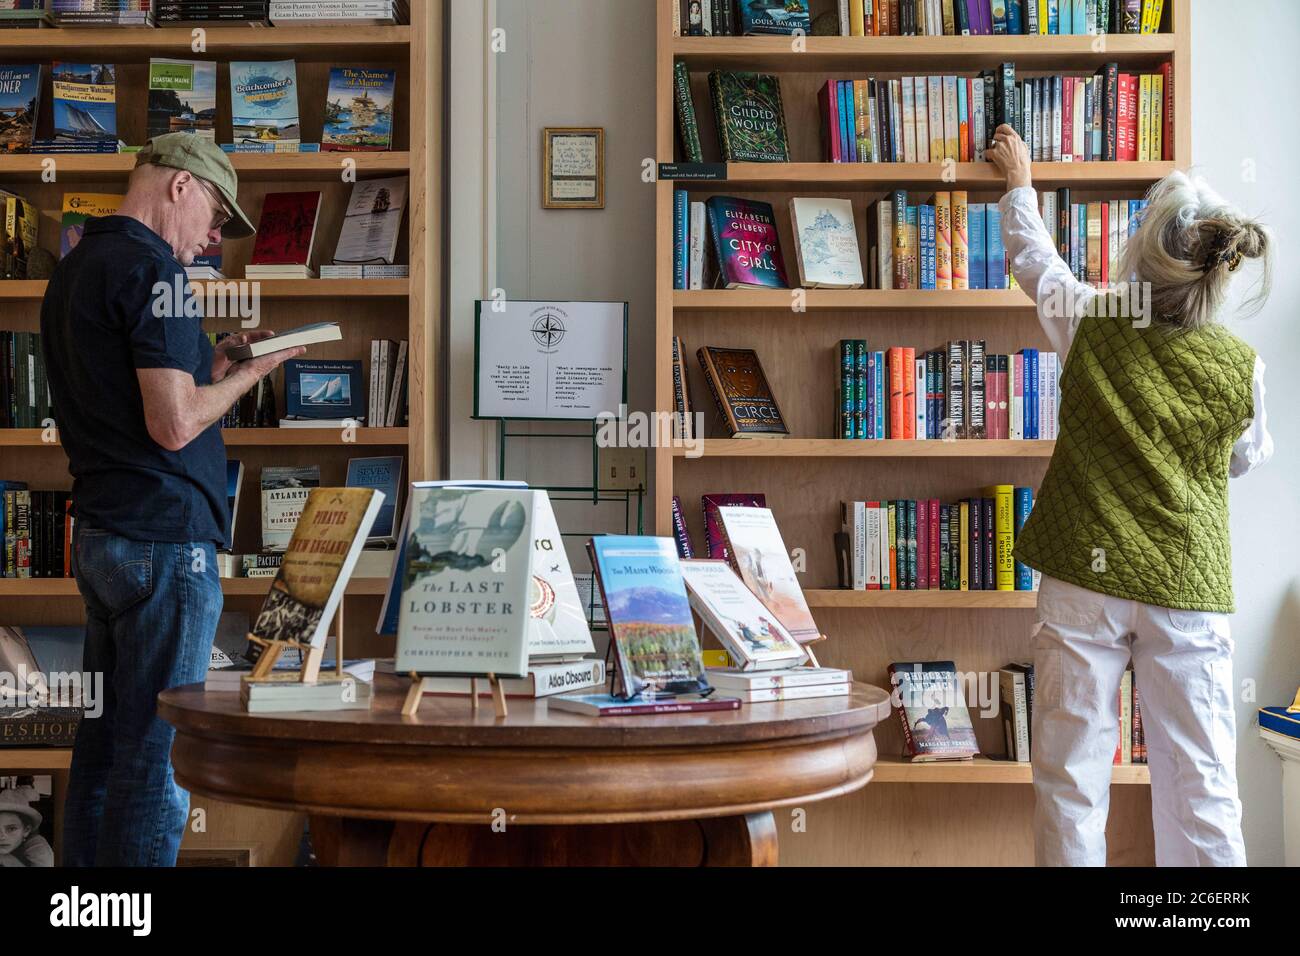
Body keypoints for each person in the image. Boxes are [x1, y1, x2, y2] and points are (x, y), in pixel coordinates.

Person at [986, 126, 1273, 867]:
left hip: (1086, 578)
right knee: (1202, 783)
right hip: (1187, 586)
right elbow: (1243, 460)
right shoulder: (1243, 367)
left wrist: (1019, 181)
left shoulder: (1093, 321)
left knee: (1070, 777)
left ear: (1144, 252)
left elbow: (1036, 265)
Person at [41, 133, 304, 867]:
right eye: (217, 216)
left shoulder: (78, 269)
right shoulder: (155, 271)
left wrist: (212, 361)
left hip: (102, 539)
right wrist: (258, 374)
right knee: (157, 759)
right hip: (162, 544)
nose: (215, 238)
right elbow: (175, 422)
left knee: (100, 755)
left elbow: (137, 395)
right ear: (180, 186)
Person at [0, 788, 54, 867]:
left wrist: (7, 859)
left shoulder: (38, 846)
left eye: (11, 829)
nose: (1, 837)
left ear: (26, 830)